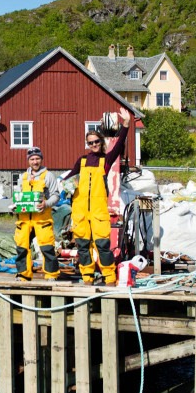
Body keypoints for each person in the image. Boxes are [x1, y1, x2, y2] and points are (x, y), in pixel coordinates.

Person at [63, 108, 133, 285]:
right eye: (90, 142)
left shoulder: (106, 160)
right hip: (80, 213)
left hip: (98, 211)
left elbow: (118, 147)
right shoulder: (82, 161)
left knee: (103, 246)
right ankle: (87, 277)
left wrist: (125, 125)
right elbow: (68, 179)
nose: (93, 145)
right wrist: (62, 186)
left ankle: (109, 276)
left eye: (95, 142)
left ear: (101, 142)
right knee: (83, 246)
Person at [13, 146, 61, 281]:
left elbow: (56, 196)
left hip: (42, 218)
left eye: (37, 159)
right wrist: (15, 206)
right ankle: (23, 275)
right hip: (24, 219)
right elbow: (19, 196)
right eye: (32, 159)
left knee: (47, 247)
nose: (35, 162)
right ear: (28, 161)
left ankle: (51, 275)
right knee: (21, 247)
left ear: (41, 159)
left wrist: (46, 204)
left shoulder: (48, 176)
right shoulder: (23, 177)